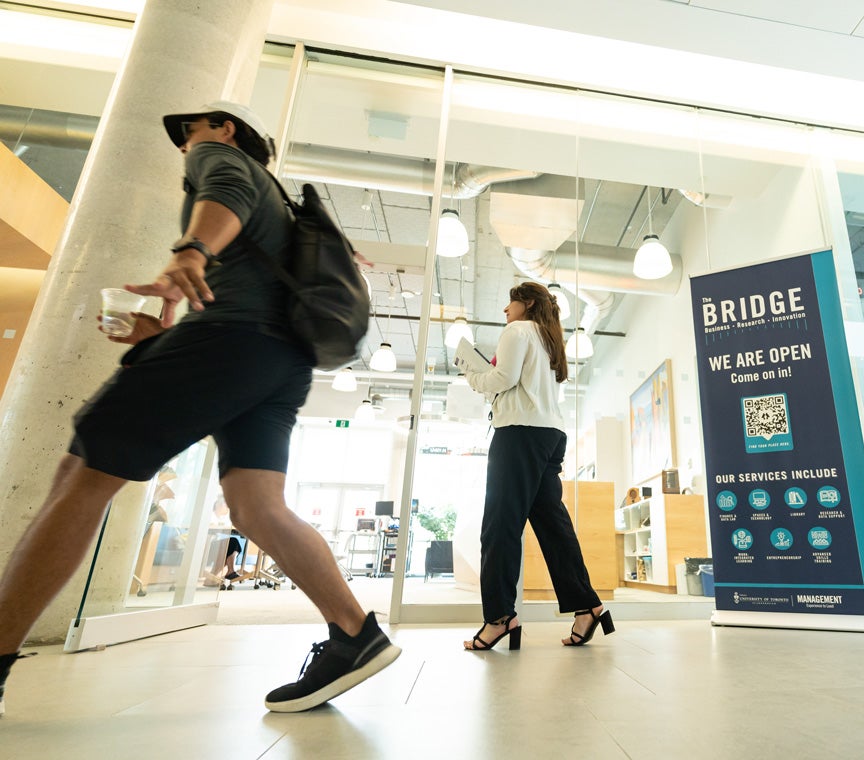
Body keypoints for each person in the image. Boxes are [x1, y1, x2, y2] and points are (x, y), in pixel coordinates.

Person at [0, 101, 399, 717]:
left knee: (82, 472)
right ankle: (355, 634)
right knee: (257, 507)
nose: (186, 145)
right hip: (279, 361)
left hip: (234, 342)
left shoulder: (224, 159)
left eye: (191, 131)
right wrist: (159, 339)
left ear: (226, 128)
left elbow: (227, 188)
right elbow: (252, 307)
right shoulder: (283, 212)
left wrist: (190, 250)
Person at [458, 281, 615, 650]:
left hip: (519, 434)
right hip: (549, 434)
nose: (505, 311)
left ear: (525, 303)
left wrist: (471, 374)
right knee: (552, 524)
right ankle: (587, 605)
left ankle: (499, 618)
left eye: (509, 303)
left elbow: (502, 379)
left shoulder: (517, 330)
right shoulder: (546, 337)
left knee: (500, 525)